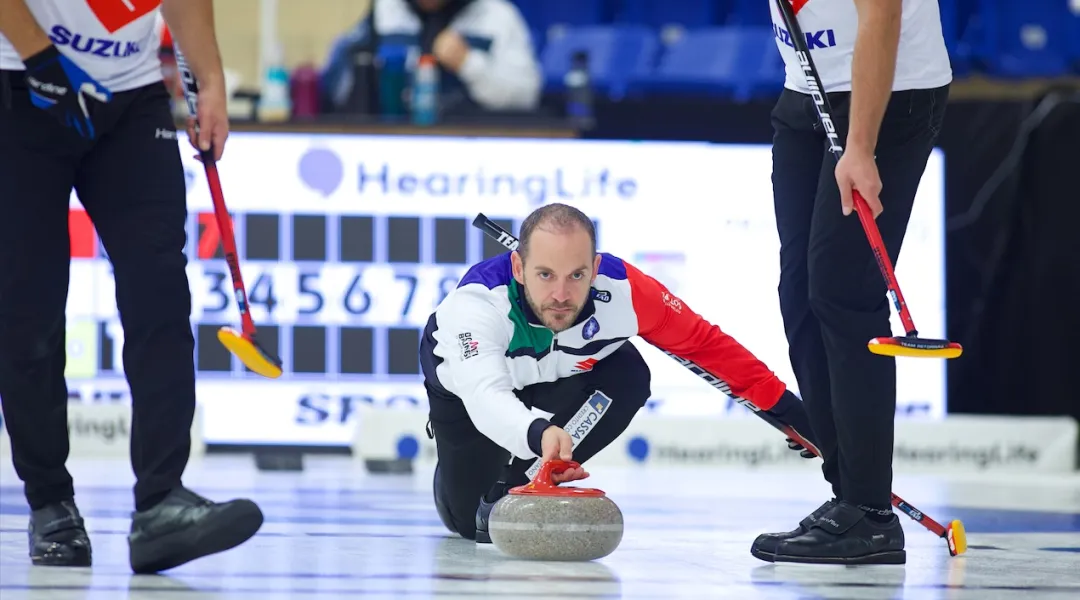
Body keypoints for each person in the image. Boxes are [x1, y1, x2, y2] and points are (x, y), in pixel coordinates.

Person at [0, 0, 263, 573]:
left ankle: (162, 502)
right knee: (30, 309)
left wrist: (210, 77)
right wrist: (43, 60)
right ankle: (51, 503)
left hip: (131, 93)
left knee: (160, 291)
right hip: (20, 82)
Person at [418, 203, 818, 543]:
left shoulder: (625, 291)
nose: (561, 295)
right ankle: (470, 476)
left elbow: (706, 348)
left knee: (626, 372)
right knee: (468, 522)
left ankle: (518, 482)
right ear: (518, 267)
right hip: (474, 395)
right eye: (545, 275)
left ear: (594, 268)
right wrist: (540, 434)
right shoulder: (474, 307)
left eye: (576, 275)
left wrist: (790, 412)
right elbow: (486, 397)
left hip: (559, 377)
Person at [757, 0, 952, 565]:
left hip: (888, 93)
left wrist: (861, 146)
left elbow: (881, 14)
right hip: (807, 88)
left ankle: (870, 513)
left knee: (842, 292)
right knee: (799, 295)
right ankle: (849, 494)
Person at [321, 0, 541, 115]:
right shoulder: (385, 9)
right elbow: (336, 88)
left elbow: (525, 96)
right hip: (391, 146)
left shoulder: (497, 14)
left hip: (473, 147)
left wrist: (468, 63)